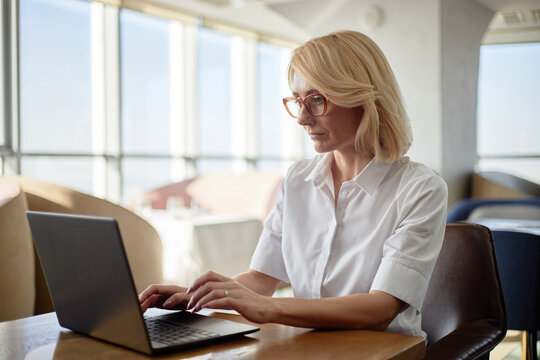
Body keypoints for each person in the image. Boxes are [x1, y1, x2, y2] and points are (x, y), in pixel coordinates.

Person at [139, 30, 447, 337]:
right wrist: (196, 295)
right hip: (308, 347)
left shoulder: (421, 189)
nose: (302, 118)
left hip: (384, 352)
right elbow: (262, 278)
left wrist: (268, 308)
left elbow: (380, 309)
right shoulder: (298, 179)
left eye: (316, 100)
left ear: (362, 98)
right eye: (298, 101)